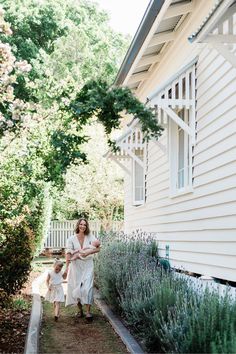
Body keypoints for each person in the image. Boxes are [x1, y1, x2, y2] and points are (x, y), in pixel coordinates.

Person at [64, 218, 100, 321]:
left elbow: (98, 248)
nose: (82, 226)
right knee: (76, 287)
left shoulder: (90, 237)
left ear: (86, 226)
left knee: (87, 287)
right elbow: (68, 254)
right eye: (81, 224)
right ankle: (80, 311)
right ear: (78, 225)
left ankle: (88, 312)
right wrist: (66, 269)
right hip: (76, 265)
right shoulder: (71, 239)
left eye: (84, 225)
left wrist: (88, 252)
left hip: (88, 264)